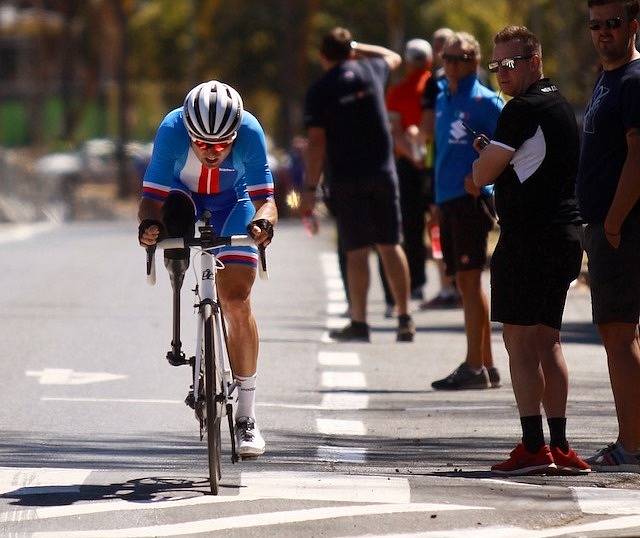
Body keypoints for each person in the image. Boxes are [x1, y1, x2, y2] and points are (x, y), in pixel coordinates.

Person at [473, 26, 590, 475]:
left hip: (527, 238)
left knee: (519, 341)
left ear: (534, 61)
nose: (502, 73)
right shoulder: (560, 104)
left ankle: (532, 446)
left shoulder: (521, 109)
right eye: (496, 65)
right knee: (548, 340)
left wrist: (482, 164)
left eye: (510, 63)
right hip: (564, 235)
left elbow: (481, 173)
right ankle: (560, 445)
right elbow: (528, 165)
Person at [137, 80, 277, 458]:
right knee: (174, 231)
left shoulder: (249, 131)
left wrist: (263, 225)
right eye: (201, 145)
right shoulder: (171, 130)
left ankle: (246, 417)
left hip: (235, 202)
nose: (212, 153)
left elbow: (267, 201)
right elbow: (151, 199)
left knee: (236, 299)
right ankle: (180, 283)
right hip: (185, 200)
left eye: (221, 145)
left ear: (235, 134)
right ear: (188, 133)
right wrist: (149, 230)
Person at [301, 27, 415, 343]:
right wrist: (358, 47)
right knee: (391, 245)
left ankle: (360, 323)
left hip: (347, 179)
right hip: (383, 173)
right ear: (350, 52)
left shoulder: (320, 89)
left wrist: (310, 190)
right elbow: (393, 57)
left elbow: (316, 142)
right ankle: (404, 317)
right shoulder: (372, 69)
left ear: (323, 56)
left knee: (356, 252)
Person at [577, 0, 640, 472]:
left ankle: (632, 445)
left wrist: (614, 221)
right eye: (595, 25)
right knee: (617, 334)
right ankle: (631, 438)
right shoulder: (608, 77)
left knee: (618, 335)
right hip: (605, 227)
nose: (603, 32)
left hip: (624, 228)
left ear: (633, 27)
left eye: (612, 24)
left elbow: (638, 159)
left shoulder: (635, 81)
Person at [428, 32, 503, 390]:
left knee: (471, 282)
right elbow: (440, 150)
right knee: (464, 282)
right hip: (447, 199)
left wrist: (484, 184)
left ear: (474, 61)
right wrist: (436, 201)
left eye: (458, 59)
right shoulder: (443, 97)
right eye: (446, 58)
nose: (451, 65)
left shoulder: (486, 101)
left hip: (471, 201)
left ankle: (475, 364)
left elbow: (507, 149)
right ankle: (485, 364)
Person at [385, 38, 433, 303]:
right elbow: (396, 131)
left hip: (414, 161)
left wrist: (412, 154)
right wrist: (417, 155)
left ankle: (418, 281)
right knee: (418, 224)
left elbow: (395, 133)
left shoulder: (406, 89)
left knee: (414, 226)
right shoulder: (429, 86)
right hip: (422, 161)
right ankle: (419, 281)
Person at [418, 28, 462, 309]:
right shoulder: (474, 79)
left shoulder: (435, 82)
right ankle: (449, 284)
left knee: (439, 224)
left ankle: (450, 285)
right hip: (443, 163)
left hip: (441, 163)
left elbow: (426, 128)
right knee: (440, 224)